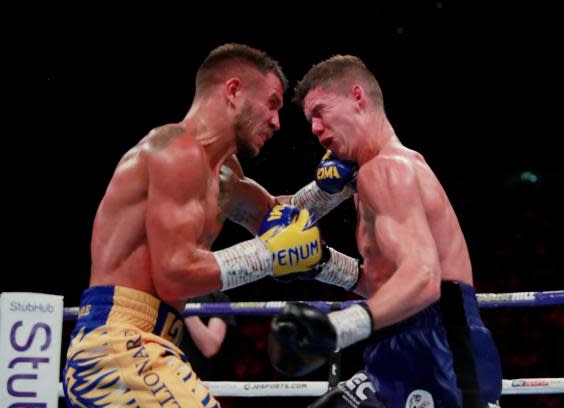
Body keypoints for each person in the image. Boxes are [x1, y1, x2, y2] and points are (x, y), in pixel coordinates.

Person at [62, 43, 341, 408]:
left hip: (150, 346)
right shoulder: (175, 152)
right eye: (271, 103)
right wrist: (265, 255)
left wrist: (335, 188)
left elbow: (279, 221)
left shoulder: (224, 175)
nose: (277, 122)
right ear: (233, 91)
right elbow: (174, 275)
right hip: (117, 343)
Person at [268, 55, 503, 407]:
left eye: (320, 111)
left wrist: (337, 328)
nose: (315, 129)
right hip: (402, 342)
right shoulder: (371, 177)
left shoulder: (386, 170)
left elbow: (423, 278)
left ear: (357, 97)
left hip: (437, 344)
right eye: (310, 120)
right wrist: (323, 263)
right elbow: (389, 283)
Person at [180, 291, 235, 380]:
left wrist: (184, 306)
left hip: (193, 380)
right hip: (158, 371)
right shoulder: (160, 291)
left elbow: (210, 348)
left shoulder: (216, 298)